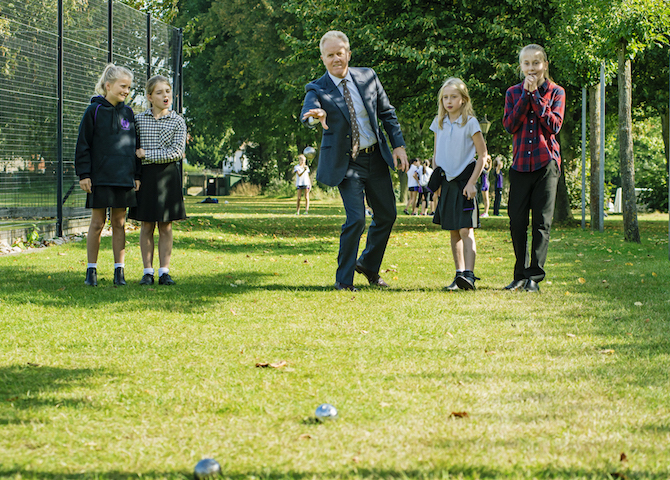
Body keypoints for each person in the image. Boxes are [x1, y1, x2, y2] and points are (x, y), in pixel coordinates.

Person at [301, 30, 408, 292]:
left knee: (387, 215)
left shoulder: (368, 76)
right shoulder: (317, 88)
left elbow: (387, 113)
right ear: (323, 58)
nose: (336, 58)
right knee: (357, 219)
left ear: (348, 53)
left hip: (376, 158)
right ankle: (343, 280)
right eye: (330, 55)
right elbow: (307, 113)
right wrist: (316, 115)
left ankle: (369, 265)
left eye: (340, 53)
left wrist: (399, 146)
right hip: (347, 165)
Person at [502, 44, 565, 293]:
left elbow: (553, 125)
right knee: (517, 221)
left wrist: (536, 97)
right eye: (526, 63)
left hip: (546, 163)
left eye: (536, 63)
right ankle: (519, 275)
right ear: (521, 66)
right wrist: (525, 97)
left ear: (545, 65)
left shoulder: (556, 92)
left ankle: (534, 277)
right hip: (519, 164)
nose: (531, 68)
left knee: (541, 222)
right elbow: (510, 125)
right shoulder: (512, 93)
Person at [75, 63, 141, 287]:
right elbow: (83, 145)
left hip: (123, 178)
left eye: (129, 88)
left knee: (120, 223)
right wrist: (84, 174)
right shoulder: (93, 111)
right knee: (96, 223)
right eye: (123, 86)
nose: (126, 91)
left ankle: (119, 272)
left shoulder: (129, 113)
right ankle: (91, 271)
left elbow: (135, 147)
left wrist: (137, 175)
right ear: (108, 85)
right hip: (100, 177)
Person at [430, 77, 489, 291]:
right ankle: (458, 276)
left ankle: (469, 275)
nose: (449, 101)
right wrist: (436, 182)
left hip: (465, 183)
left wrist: (472, 183)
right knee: (453, 230)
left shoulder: (470, 123)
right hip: (446, 182)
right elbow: (436, 155)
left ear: (463, 99)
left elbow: (482, 155)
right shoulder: (438, 123)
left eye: (453, 97)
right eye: (445, 97)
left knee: (466, 229)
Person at [129, 75, 187, 286]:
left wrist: (147, 154)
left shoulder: (178, 121)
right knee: (146, 225)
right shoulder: (139, 120)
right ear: (150, 96)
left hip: (168, 177)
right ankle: (147, 271)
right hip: (145, 178)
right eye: (160, 92)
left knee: (165, 226)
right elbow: (133, 150)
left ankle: (164, 271)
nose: (165, 96)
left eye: (168, 91)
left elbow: (177, 152)